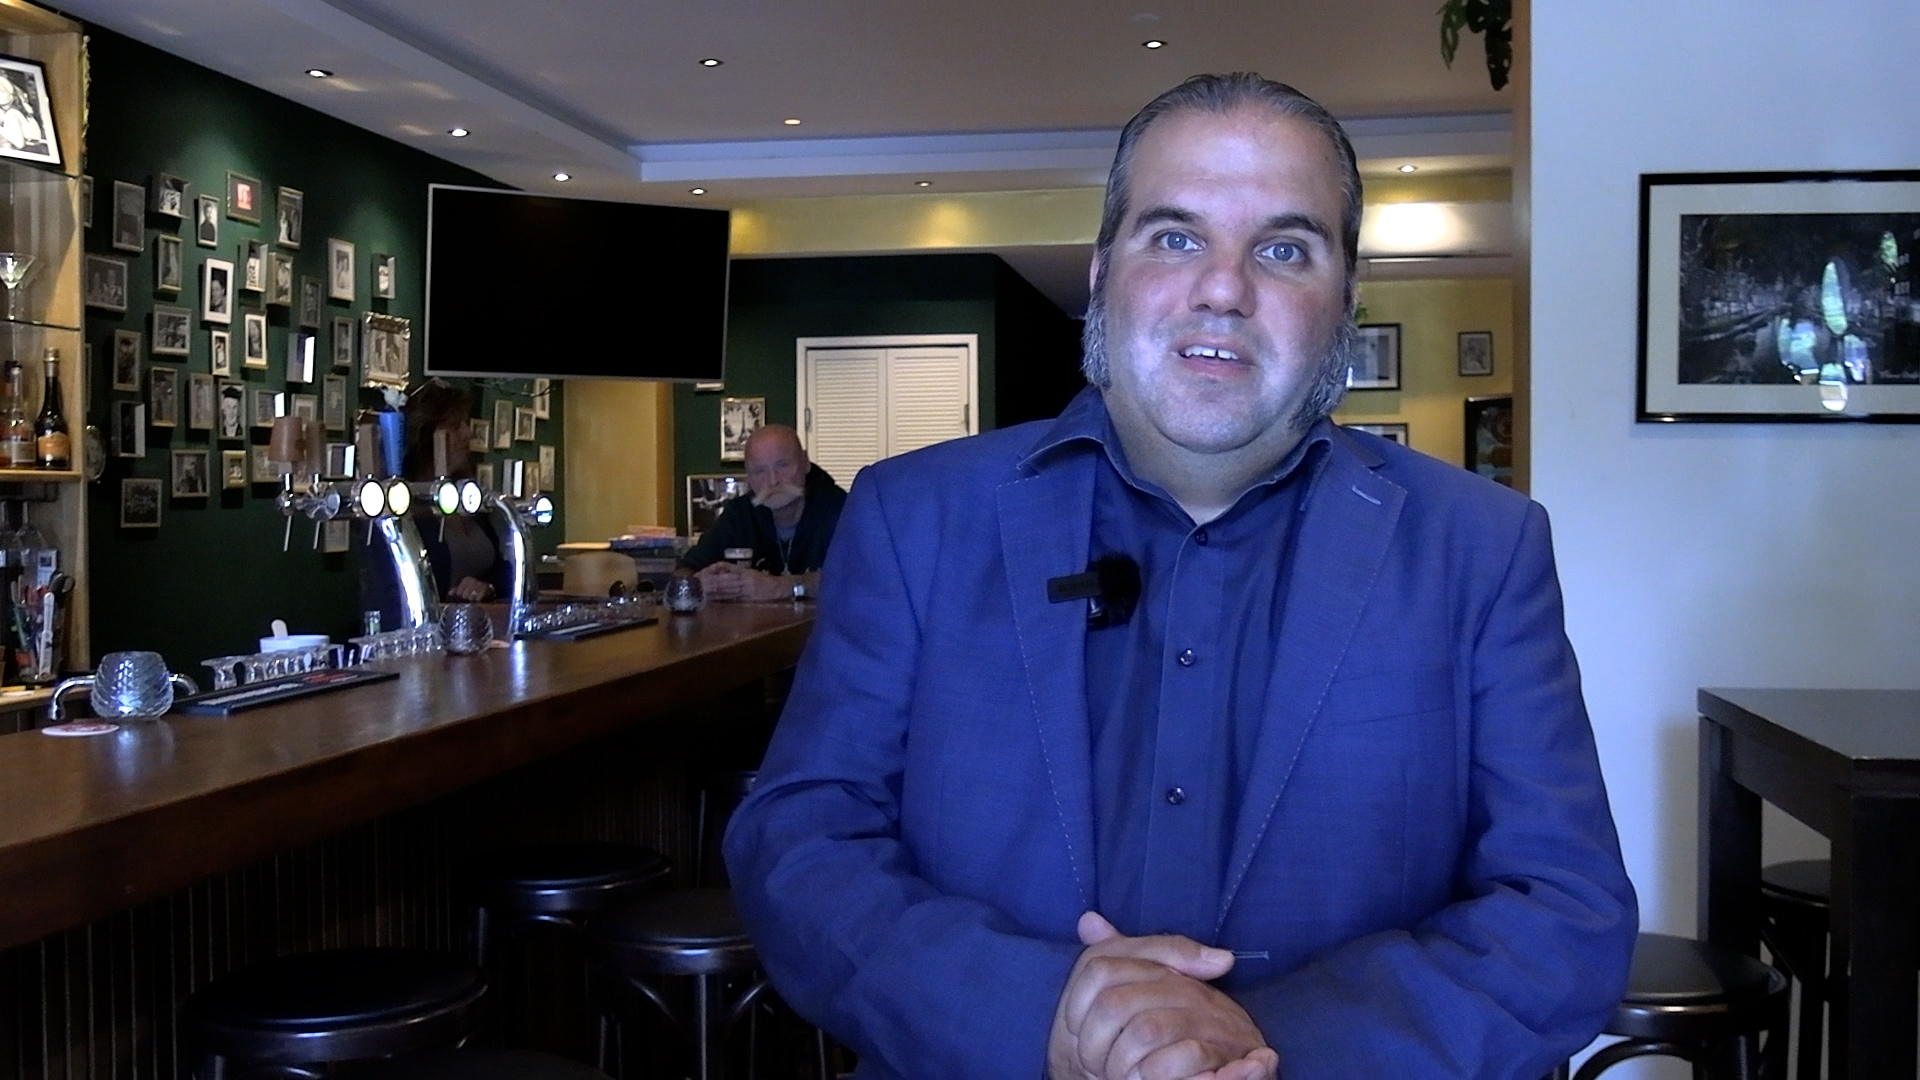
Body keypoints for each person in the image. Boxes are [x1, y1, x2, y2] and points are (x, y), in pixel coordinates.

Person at [725, 73, 1637, 1080]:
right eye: (1174, 237)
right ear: (1102, 271)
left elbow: (1562, 910)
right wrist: (1037, 1016)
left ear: (1346, 295)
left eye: (1284, 249)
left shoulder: (1483, 547)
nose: (1223, 289)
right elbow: (801, 842)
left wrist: (1259, 1045)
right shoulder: (914, 518)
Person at [362, 381, 511, 626]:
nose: (468, 433)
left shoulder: (466, 495)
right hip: (426, 636)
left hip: (479, 634)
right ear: (428, 436)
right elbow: (390, 594)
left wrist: (487, 587)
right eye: (455, 425)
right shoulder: (399, 503)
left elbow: (504, 571)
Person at [676, 424, 846, 601]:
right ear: (748, 476)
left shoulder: (841, 509)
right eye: (759, 471)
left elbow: (855, 578)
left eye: (783, 465)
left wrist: (781, 587)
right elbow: (682, 572)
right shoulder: (738, 514)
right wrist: (697, 583)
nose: (772, 481)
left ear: (805, 462)